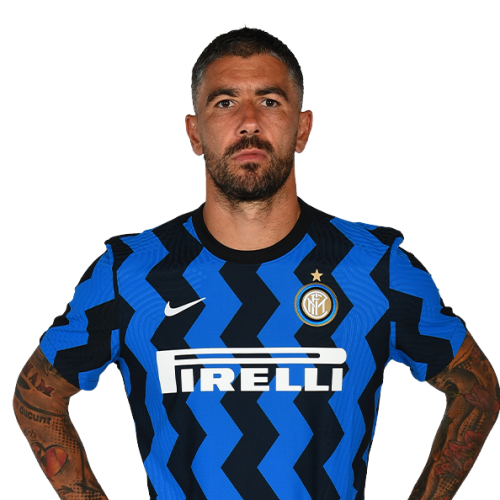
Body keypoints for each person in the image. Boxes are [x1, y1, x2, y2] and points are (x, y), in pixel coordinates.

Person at [13, 26, 498, 500]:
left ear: (302, 128)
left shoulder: (376, 266)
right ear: (194, 133)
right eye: (224, 103)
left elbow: (477, 390)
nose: (249, 122)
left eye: (269, 101)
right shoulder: (129, 272)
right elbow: (35, 395)